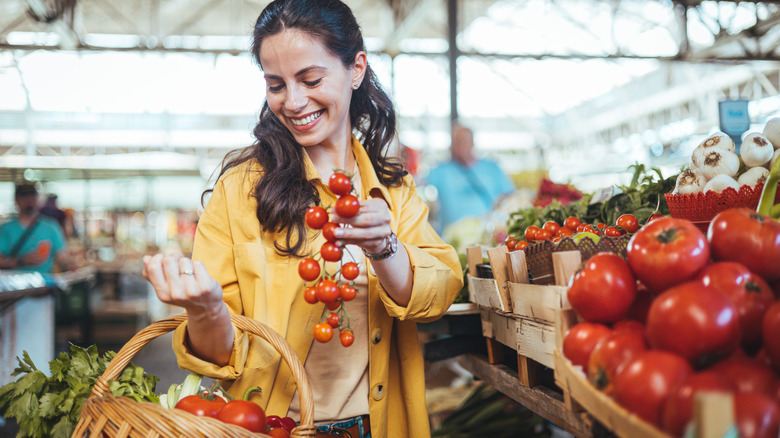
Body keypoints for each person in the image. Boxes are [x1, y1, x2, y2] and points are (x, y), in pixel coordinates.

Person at [141, 1, 463, 437]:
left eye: (310, 80)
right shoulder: (240, 192)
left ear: (356, 69)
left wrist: (385, 248)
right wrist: (206, 310)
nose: (293, 102)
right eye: (276, 85)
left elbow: (439, 291)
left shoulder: (392, 189)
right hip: (271, 427)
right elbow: (218, 354)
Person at [0, 183, 70, 386]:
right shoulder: (6, 229)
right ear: (16, 200)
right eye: (24, 196)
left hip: (42, 296)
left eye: (32, 195)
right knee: (10, 344)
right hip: (8, 295)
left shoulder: (50, 227)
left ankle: (39, 384)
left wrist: (71, 263)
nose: (29, 200)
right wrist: (22, 261)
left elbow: (63, 258)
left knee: (38, 344)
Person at [426, 124, 516, 233]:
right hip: (451, 239)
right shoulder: (440, 170)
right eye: (456, 141)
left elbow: (510, 196)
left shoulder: (492, 167)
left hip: (488, 236)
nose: (459, 145)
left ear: (472, 143)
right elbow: (419, 189)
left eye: (463, 141)